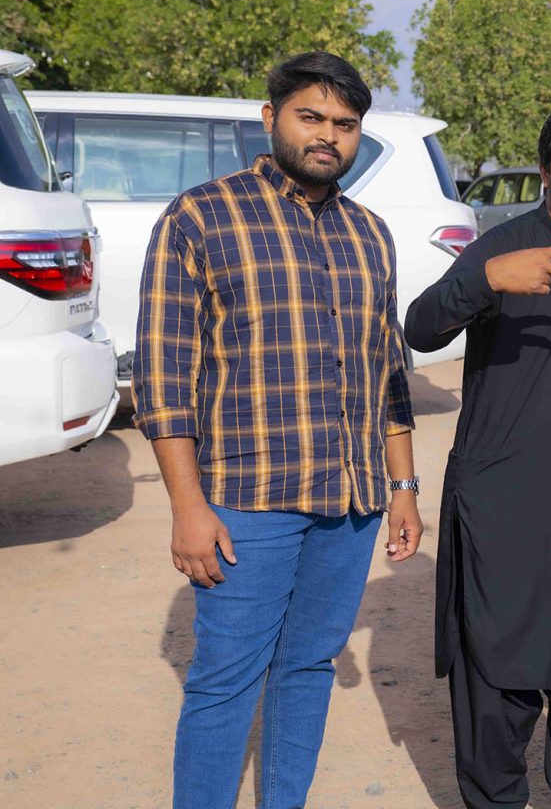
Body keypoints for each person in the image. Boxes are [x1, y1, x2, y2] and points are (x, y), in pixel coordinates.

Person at [133, 51, 421, 809]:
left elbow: (389, 373)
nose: (328, 135)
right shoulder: (201, 217)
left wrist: (403, 486)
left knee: (308, 667)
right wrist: (187, 508)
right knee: (225, 681)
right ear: (271, 118)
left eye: (345, 124)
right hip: (247, 502)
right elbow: (164, 380)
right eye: (311, 117)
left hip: (352, 502)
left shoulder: (371, 234)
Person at [404, 100, 551, 809]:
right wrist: (486, 281)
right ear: (546, 171)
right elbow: (419, 327)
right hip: (503, 504)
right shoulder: (502, 248)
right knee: (496, 674)